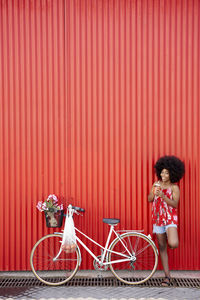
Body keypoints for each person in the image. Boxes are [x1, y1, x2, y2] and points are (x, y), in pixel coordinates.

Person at [148, 155, 185, 286]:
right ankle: (167, 276)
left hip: (170, 218)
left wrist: (163, 196)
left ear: (172, 174)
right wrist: (154, 191)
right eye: (162, 172)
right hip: (157, 219)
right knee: (162, 248)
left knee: (173, 243)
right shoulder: (156, 184)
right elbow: (149, 199)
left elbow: (175, 204)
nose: (163, 174)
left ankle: (170, 239)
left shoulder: (174, 187)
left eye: (167, 172)